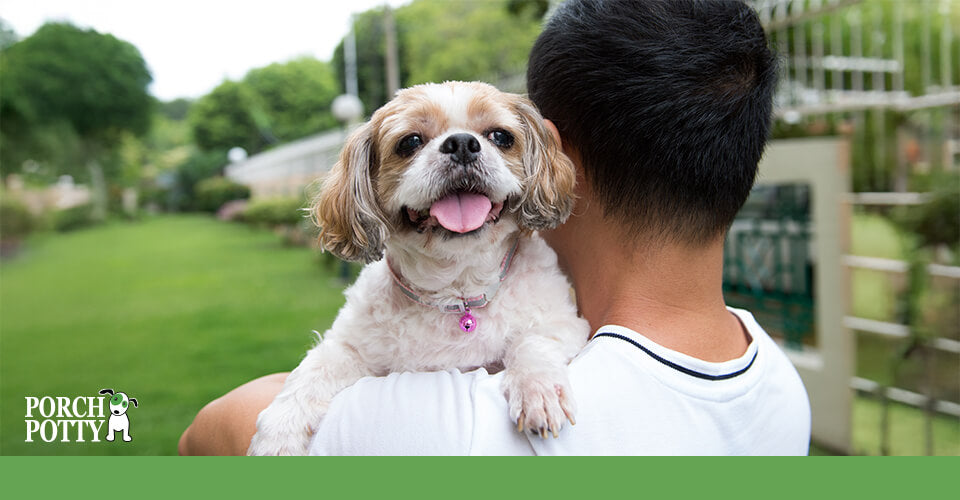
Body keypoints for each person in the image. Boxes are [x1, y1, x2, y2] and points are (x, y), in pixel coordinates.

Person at [179, 0, 810, 456]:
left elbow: (209, 435)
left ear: (552, 156)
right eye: (413, 145)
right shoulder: (782, 390)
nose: (459, 154)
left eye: (497, 138)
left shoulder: (461, 433)